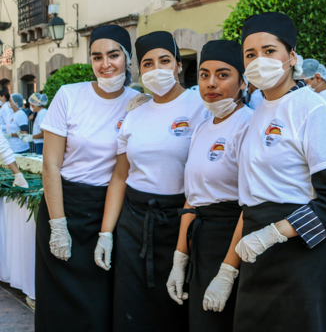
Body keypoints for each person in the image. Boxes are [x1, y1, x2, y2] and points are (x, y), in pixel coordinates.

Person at [222, 12, 326, 332]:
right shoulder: (255, 112)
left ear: (292, 56)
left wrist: (274, 233)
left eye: (269, 51)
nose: (259, 60)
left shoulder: (314, 109)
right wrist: (228, 269)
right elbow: (252, 195)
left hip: (303, 255)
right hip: (257, 253)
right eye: (250, 54)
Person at [94, 31, 209, 332]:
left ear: (178, 65)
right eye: (148, 63)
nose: (156, 69)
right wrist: (106, 233)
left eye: (164, 60)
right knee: (131, 310)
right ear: (140, 69)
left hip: (181, 223)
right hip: (134, 226)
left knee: (174, 311)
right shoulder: (135, 112)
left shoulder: (201, 106)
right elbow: (120, 176)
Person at [35, 25, 138, 332]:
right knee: (58, 306)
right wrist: (58, 225)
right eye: (97, 56)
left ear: (127, 57)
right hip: (63, 205)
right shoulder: (69, 96)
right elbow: (50, 165)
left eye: (113, 55)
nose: (105, 64)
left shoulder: (138, 103)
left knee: (100, 303)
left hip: (108, 212)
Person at [166, 40, 252, 331]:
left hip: (233, 241)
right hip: (200, 240)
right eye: (204, 75)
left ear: (243, 80)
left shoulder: (248, 125)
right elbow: (192, 198)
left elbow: (251, 205)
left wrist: (228, 271)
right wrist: (180, 258)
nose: (211, 83)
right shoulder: (203, 126)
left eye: (223, 74)